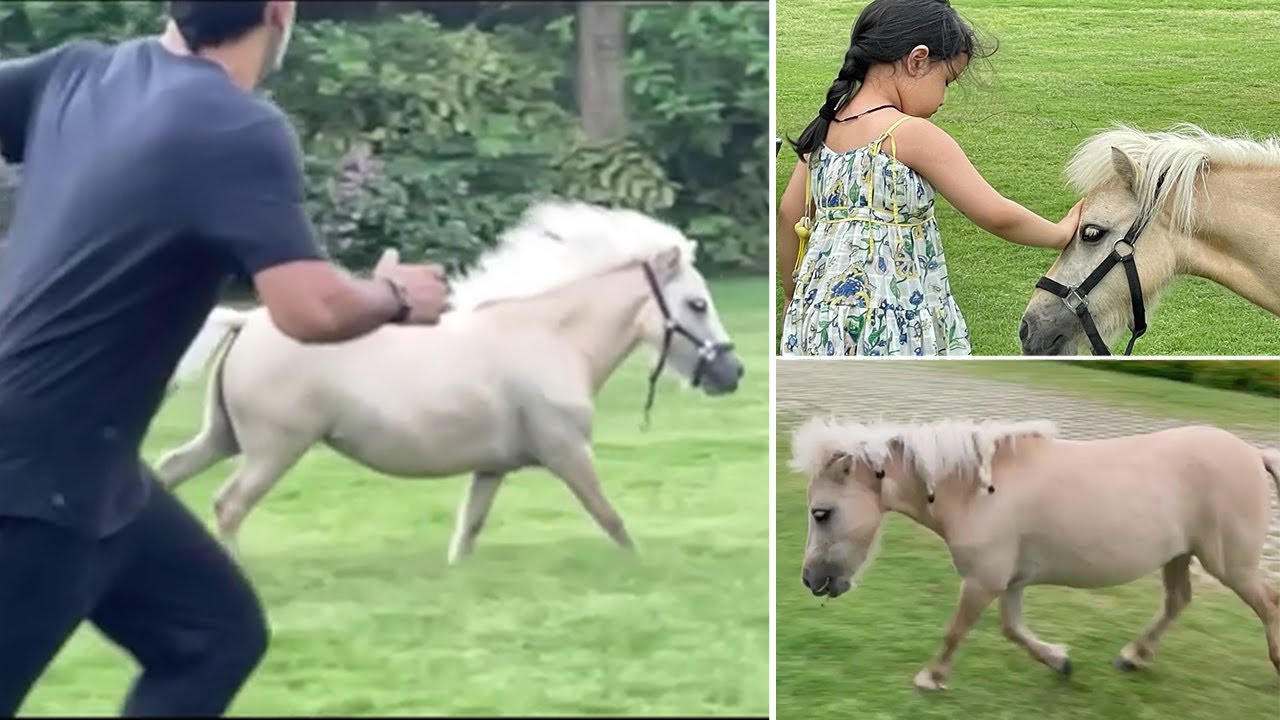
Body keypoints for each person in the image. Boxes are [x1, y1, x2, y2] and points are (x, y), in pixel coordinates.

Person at [0, 1, 450, 715]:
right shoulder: (235, 126)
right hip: (35, 482)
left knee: (212, 634)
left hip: (92, 467)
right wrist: (395, 294)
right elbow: (310, 309)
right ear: (278, 11)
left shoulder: (77, 73)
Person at [776, 0, 1083, 356]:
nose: (943, 97)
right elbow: (995, 213)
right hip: (892, 316)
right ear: (917, 59)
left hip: (817, 317)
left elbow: (789, 214)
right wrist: (1059, 233)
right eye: (947, 81)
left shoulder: (823, 131)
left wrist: (790, 295)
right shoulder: (908, 134)